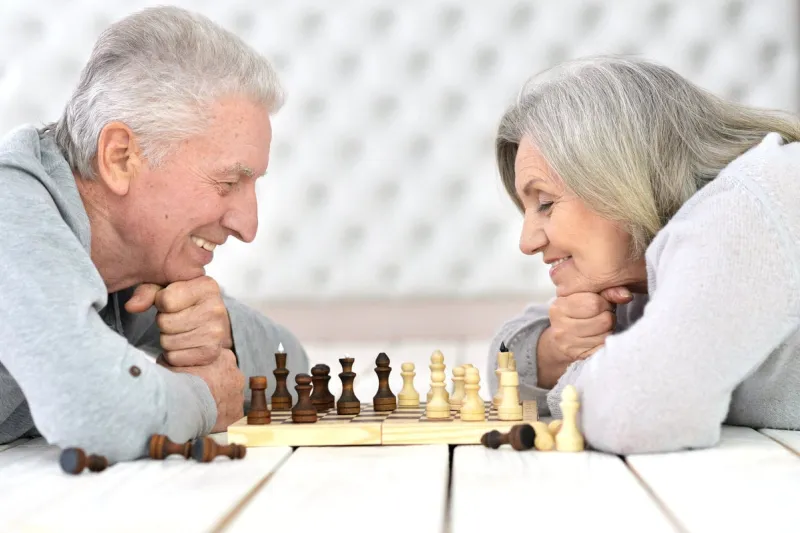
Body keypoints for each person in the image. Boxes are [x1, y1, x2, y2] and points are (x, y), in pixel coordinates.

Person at [0, 6, 310, 462]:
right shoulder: (12, 208)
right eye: (227, 183)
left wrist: (222, 330)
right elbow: (92, 410)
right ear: (121, 157)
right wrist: (204, 398)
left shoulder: (125, 265)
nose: (248, 226)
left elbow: (295, 369)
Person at [486, 55, 800, 454]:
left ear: (619, 176)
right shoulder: (641, 269)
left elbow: (637, 413)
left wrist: (582, 367)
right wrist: (555, 348)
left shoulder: (749, 207)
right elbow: (505, 368)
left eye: (545, 203)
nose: (527, 242)